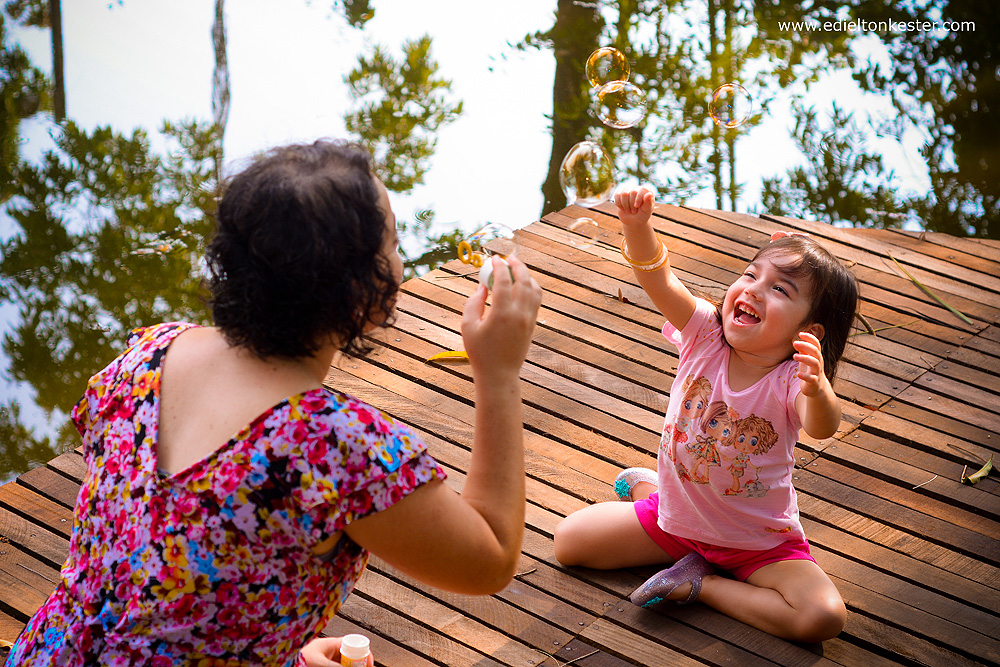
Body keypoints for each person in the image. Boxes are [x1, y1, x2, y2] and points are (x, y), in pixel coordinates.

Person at [9, 140, 542, 666]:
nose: (400, 261)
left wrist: (266, 644)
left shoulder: (147, 356)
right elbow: (491, 558)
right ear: (360, 291)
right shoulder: (328, 444)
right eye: (394, 246)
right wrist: (498, 372)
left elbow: (168, 567)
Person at [553, 187, 858, 643]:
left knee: (822, 618)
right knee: (569, 541)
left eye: (779, 289)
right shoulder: (705, 334)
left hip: (756, 543)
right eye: (751, 274)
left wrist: (819, 389)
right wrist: (637, 227)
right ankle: (654, 492)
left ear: (808, 332)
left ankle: (701, 583)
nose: (753, 289)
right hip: (676, 521)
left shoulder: (792, 379)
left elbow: (822, 426)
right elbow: (659, 280)